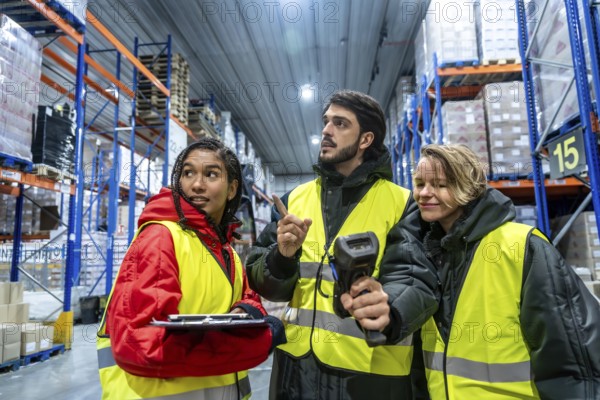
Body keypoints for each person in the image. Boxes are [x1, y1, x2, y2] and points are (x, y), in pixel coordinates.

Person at [246, 90, 439, 399]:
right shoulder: (294, 200)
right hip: (294, 374)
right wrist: (283, 257)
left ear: (365, 140)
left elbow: (416, 278)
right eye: (326, 122)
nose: (326, 130)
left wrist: (390, 308)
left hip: (367, 379)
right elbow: (264, 284)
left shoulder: (403, 203)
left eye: (340, 123)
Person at [97, 138, 285, 399]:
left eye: (211, 174)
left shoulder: (227, 252)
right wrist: (259, 342)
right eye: (188, 173)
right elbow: (142, 345)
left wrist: (247, 311)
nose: (197, 184)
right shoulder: (161, 239)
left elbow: (249, 300)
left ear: (232, 189)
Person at [412, 143, 600, 399]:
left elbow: (570, 355)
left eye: (441, 185)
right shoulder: (425, 253)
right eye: (419, 183)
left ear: (468, 188)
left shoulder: (521, 246)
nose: (424, 193)